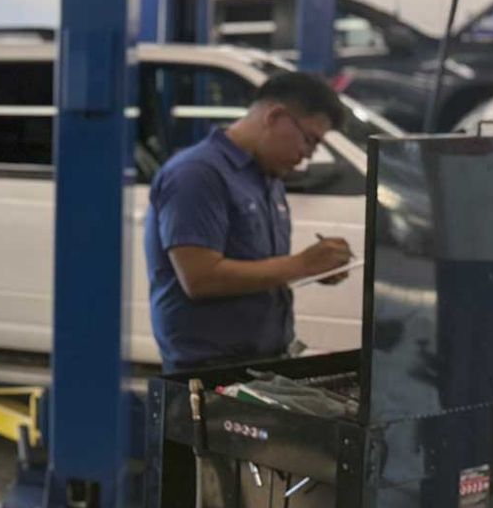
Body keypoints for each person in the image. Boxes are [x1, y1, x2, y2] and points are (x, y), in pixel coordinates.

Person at [145, 70, 355, 370]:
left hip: (265, 362)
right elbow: (200, 278)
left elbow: (262, 268)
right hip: (208, 373)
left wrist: (315, 267)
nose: (307, 155)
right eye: (308, 140)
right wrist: (302, 264)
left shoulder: (268, 178)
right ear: (275, 116)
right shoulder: (197, 174)